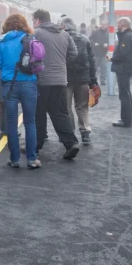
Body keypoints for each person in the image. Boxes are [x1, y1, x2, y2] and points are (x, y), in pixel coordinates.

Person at [31, 9, 80, 159]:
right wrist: (60, 65)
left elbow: (29, 54)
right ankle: (71, 144)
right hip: (60, 80)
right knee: (60, 113)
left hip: (42, 80)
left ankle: (35, 146)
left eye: (34, 20)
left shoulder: (36, 33)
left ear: (38, 20)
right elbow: (74, 54)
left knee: (38, 114)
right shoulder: (64, 34)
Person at [0, 13, 39, 168]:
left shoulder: (2, 41)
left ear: (6, 25)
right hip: (29, 83)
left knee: (11, 123)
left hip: (9, 84)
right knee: (30, 122)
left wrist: (9, 68)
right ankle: (32, 159)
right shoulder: (30, 38)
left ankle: (14, 159)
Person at [60, 17, 97, 144]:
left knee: (66, 107)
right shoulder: (85, 39)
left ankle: (70, 134)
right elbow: (92, 61)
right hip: (83, 79)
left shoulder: (61, 38)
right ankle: (85, 132)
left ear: (63, 26)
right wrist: (93, 80)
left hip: (66, 79)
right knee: (82, 106)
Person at [108, 17, 132, 127]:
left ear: (122, 24)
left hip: (123, 68)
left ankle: (125, 120)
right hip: (124, 68)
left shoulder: (126, 37)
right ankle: (126, 119)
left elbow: (123, 54)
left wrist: (112, 58)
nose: (117, 25)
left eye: (118, 23)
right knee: (126, 94)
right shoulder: (127, 36)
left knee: (124, 94)